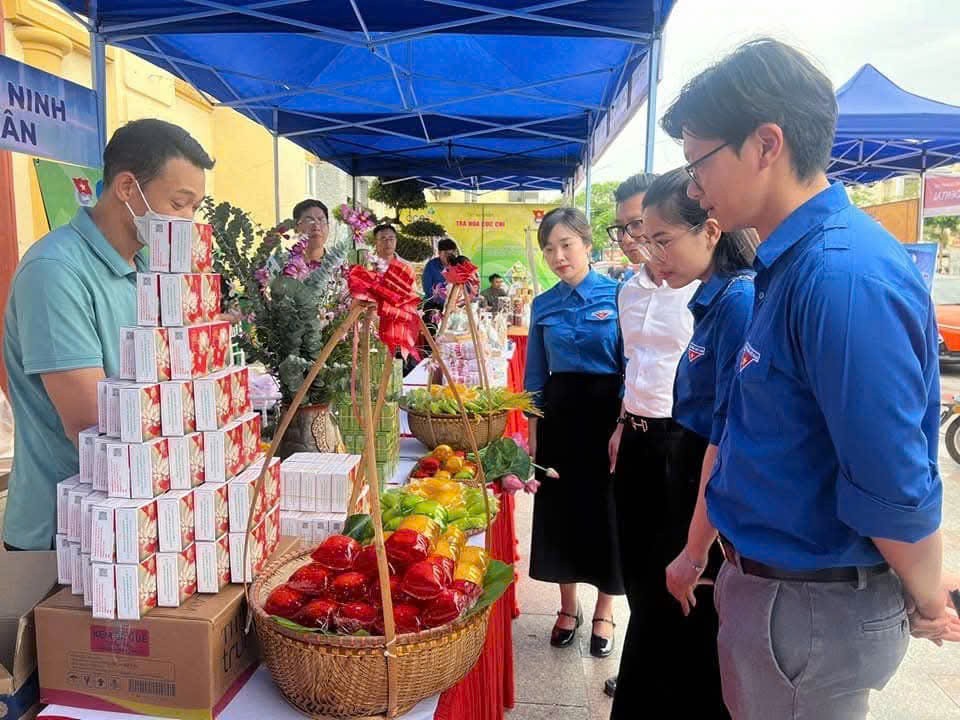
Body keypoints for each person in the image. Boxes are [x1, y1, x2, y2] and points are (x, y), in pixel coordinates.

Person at [661, 38, 955, 719]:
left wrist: (928, 590)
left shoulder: (839, 276)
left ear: (767, 143)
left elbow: (890, 475)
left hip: (810, 608)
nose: (693, 188)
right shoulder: (790, 266)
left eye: (698, 164)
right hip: (783, 596)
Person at [2, 119, 214, 551]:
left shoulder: (150, 267)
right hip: (66, 538)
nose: (188, 220)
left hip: (141, 517)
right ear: (126, 188)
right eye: (178, 203)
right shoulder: (55, 272)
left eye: (196, 207)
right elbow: (89, 420)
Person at [621, 169, 758, 718]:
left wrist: (697, 546)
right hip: (678, 477)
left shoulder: (739, 302)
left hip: (698, 494)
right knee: (658, 622)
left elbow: (724, 440)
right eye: (644, 240)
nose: (652, 255)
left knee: (685, 629)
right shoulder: (709, 299)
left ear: (711, 231)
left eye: (662, 240)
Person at [601, 172, 698, 699]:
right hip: (635, 439)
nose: (633, 239)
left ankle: (668, 678)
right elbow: (635, 364)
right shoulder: (629, 290)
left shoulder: (704, 287)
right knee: (636, 564)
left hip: (681, 440)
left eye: (642, 225)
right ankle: (642, 665)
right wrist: (621, 423)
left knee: (676, 567)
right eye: (622, 229)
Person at [524, 207, 624, 656]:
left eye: (566, 244)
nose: (558, 256)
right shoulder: (543, 305)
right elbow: (534, 380)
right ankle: (568, 607)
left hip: (608, 419)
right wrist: (533, 438)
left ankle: (604, 611)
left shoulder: (620, 297)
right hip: (560, 420)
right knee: (560, 512)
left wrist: (624, 425)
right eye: (549, 248)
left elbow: (632, 370)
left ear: (587, 244)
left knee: (606, 513)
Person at [422, 237, 458, 303]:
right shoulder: (431, 266)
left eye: (452, 254)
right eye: (446, 254)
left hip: (455, 304)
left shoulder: (459, 266)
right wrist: (445, 302)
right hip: (434, 304)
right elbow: (427, 289)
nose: (449, 257)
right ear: (439, 253)